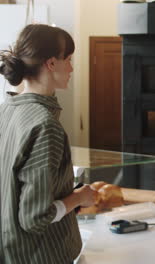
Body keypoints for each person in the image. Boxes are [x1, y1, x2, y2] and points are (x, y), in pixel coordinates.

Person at [0, 24, 97, 264]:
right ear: (51, 64)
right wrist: (80, 197)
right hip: (39, 256)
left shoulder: (5, 111)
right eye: (69, 59)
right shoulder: (45, 126)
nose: (72, 68)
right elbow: (35, 218)